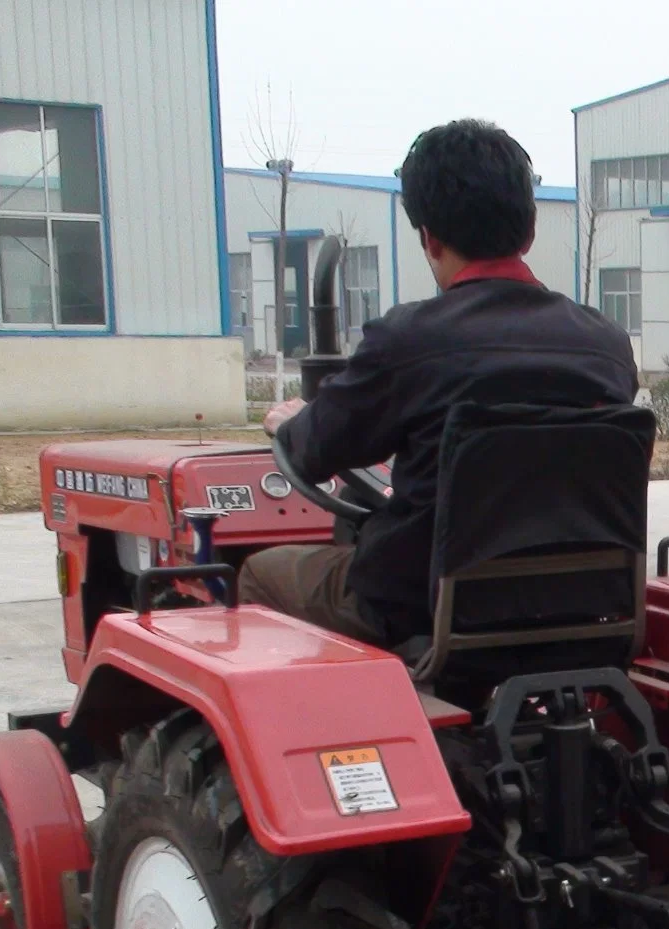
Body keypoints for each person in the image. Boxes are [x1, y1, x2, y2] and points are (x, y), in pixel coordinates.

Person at [240, 119, 638, 646]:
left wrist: (292, 424)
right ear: (530, 229)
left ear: (428, 238)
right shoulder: (605, 346)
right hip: (579, 602)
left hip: (419, 608)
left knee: (259, 573)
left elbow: (314, 453)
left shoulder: (407, 342)